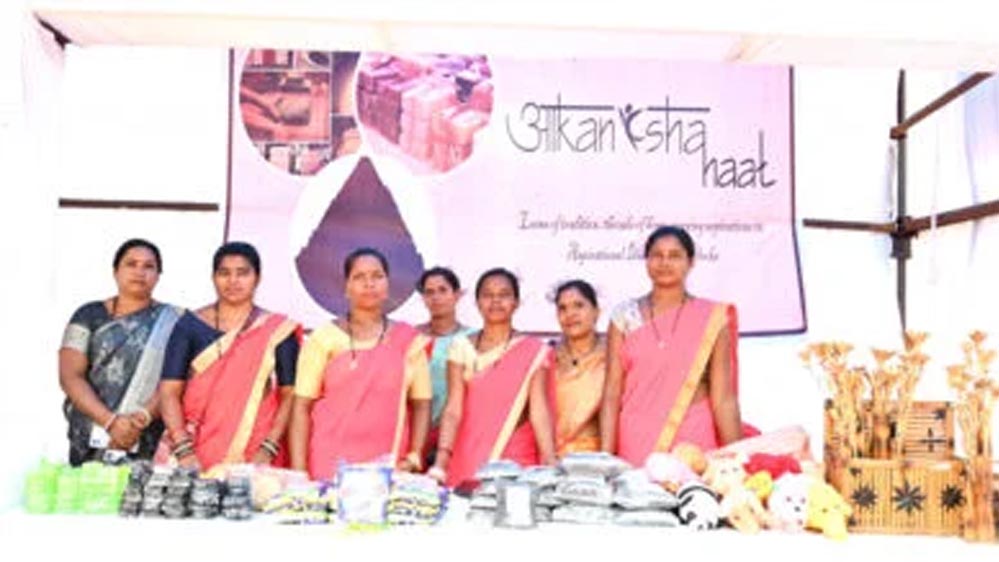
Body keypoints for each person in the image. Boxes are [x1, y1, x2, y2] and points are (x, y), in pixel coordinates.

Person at [600, 226, 754, 467]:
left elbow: (723, 398)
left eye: (674, 255)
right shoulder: (624, 317)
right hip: (637, 437)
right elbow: (611, 393)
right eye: (657, 255)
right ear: (646, 261)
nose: (665, 263)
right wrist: (605, 459)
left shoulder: (712, 318)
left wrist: (737, 460)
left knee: (695, 490)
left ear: (690, 262)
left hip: (694, 435)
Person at [289, 248, 432, 480]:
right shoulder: (323, 338)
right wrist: (299, 473)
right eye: (359, 277)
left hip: (389, 466)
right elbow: (301, 407)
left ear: (387, 285)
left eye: (377, 276)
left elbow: (422, 404)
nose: (369, 284)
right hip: (329, 463)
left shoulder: (408, 341)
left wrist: (414, 457)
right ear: (346, 287)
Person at [158, 242, 301, 470]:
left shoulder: (278, 330)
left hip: (256, 452)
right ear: (213, 277)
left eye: (242, 273)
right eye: (224, 273)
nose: (233, 281)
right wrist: (183, 448)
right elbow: (168, 392)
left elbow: (290, 395)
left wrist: (269, 447)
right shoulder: (190, 325)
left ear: (257, 278)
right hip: (192, 449)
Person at [59, 238, 182, 466]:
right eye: (131, 264)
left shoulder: (175, 321)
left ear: (158, 275)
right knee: (88, 488)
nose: (139, 272)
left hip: (145, 435)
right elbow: (70, 376)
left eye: (149, 266)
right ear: (116, 271)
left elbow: (176, 380)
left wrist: (141, 418)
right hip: (90, 433)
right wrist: (110, 421)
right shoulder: (88, 315)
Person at [429, 268, 557, 487]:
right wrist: (441, 461)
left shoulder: (533, 351)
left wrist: (549, 460)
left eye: (504, 295)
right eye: (488, 295)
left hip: (516, 455)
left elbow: (539, 411)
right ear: (478, 302)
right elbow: (453, 409)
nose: (495, 301)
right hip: (468, 455)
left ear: (516, 302)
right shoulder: (461, 347)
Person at [415, 267, 471, 460]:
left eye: (442, 290)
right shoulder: (412, 338)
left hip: (458, 434)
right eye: (429, 292)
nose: (436, 298)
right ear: (423, 299)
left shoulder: (472, 339)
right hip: (415, 433)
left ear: (457, 295)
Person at [548, 279, 605, 456]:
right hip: (551, 458)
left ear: (596, 311)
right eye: (562, 308)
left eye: (578, 305)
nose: (570, 314)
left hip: (596, 459)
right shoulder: (547, 358)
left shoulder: (612, 357)